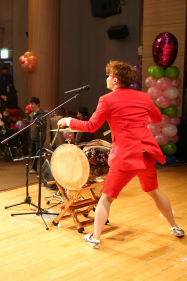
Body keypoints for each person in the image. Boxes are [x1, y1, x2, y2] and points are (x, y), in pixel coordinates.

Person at [58, 61, 184, 249]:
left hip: (125, 155)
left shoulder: (107, 100)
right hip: (145, 153)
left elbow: (92, 126)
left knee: (107, 197)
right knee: (154, 191)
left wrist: (69, 120)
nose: (107, 78)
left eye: (108, 76)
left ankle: (95, 238)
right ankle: (174, 227)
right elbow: (157, 118)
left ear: (115, 80)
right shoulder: (143, 97)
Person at [26, 97, 46, 174]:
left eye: (32, 104)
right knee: (33, 154)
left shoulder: (41, 114)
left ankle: (45, 172)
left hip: (39, 137)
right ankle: (34, 169)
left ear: (37, 104)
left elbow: (43, 125)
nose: (30, 105)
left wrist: (40, 126)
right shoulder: (32, 114)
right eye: (30, 103)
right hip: (33, 137)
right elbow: (31, 121)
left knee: (39, 155)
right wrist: (27, 115)